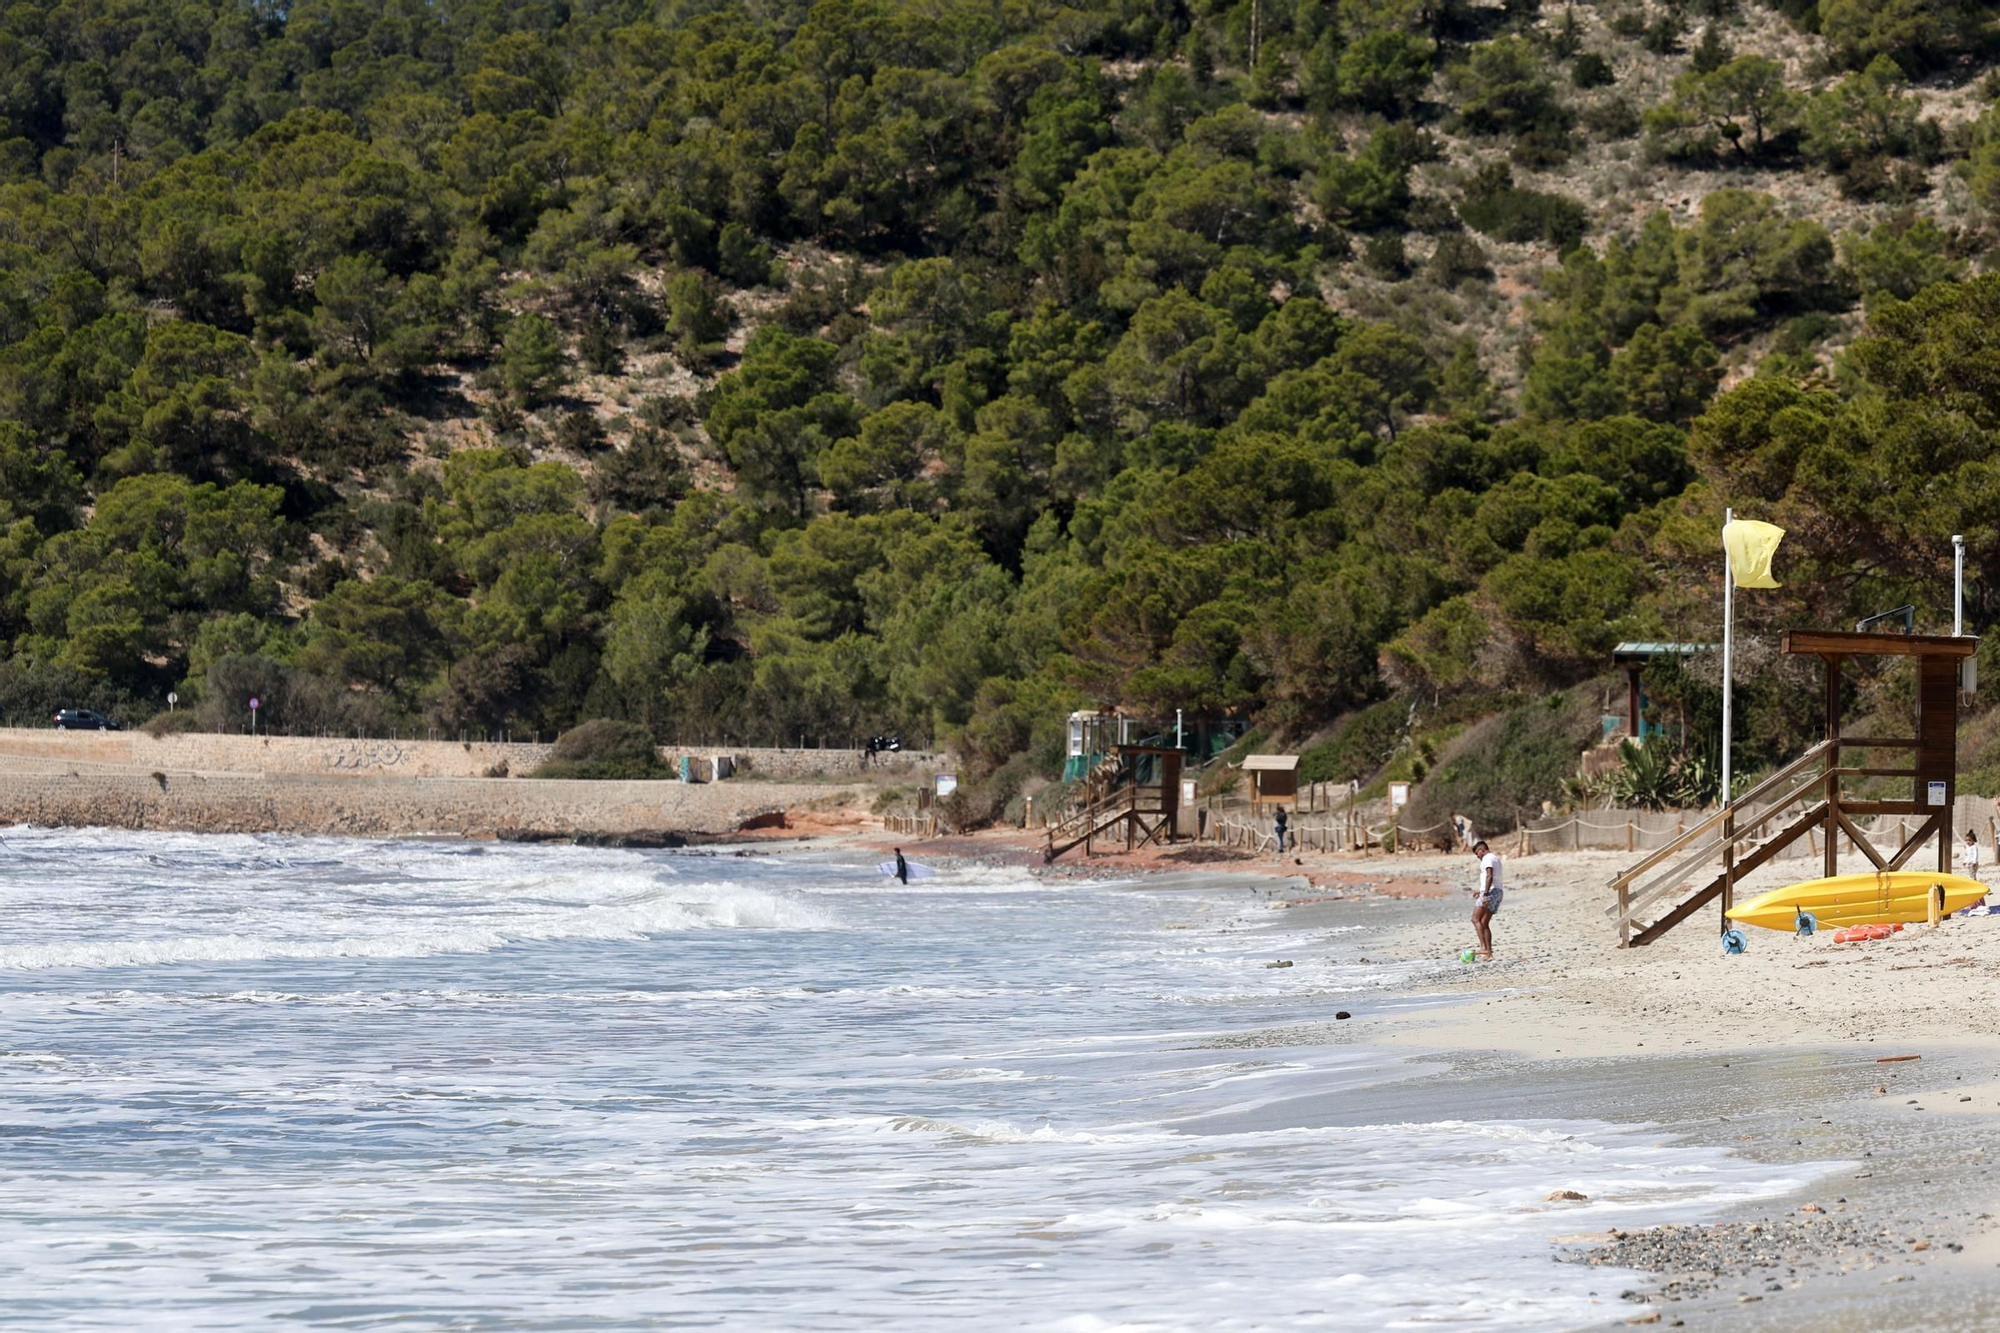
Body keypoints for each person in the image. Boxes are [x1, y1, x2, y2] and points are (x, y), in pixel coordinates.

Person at [1469, 839, 1503, 961]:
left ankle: (1483, 947)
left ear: (1481, 850)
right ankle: (1489, 954)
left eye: (1476, 854)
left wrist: (1485, 894)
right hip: (1498, 891)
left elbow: (1489, 875)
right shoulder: (1495, 858)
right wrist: (1481, 890)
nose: (1477, 857)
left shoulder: (1487, 858)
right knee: (1483, 923)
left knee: (1475, 919)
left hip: (1491, 892)